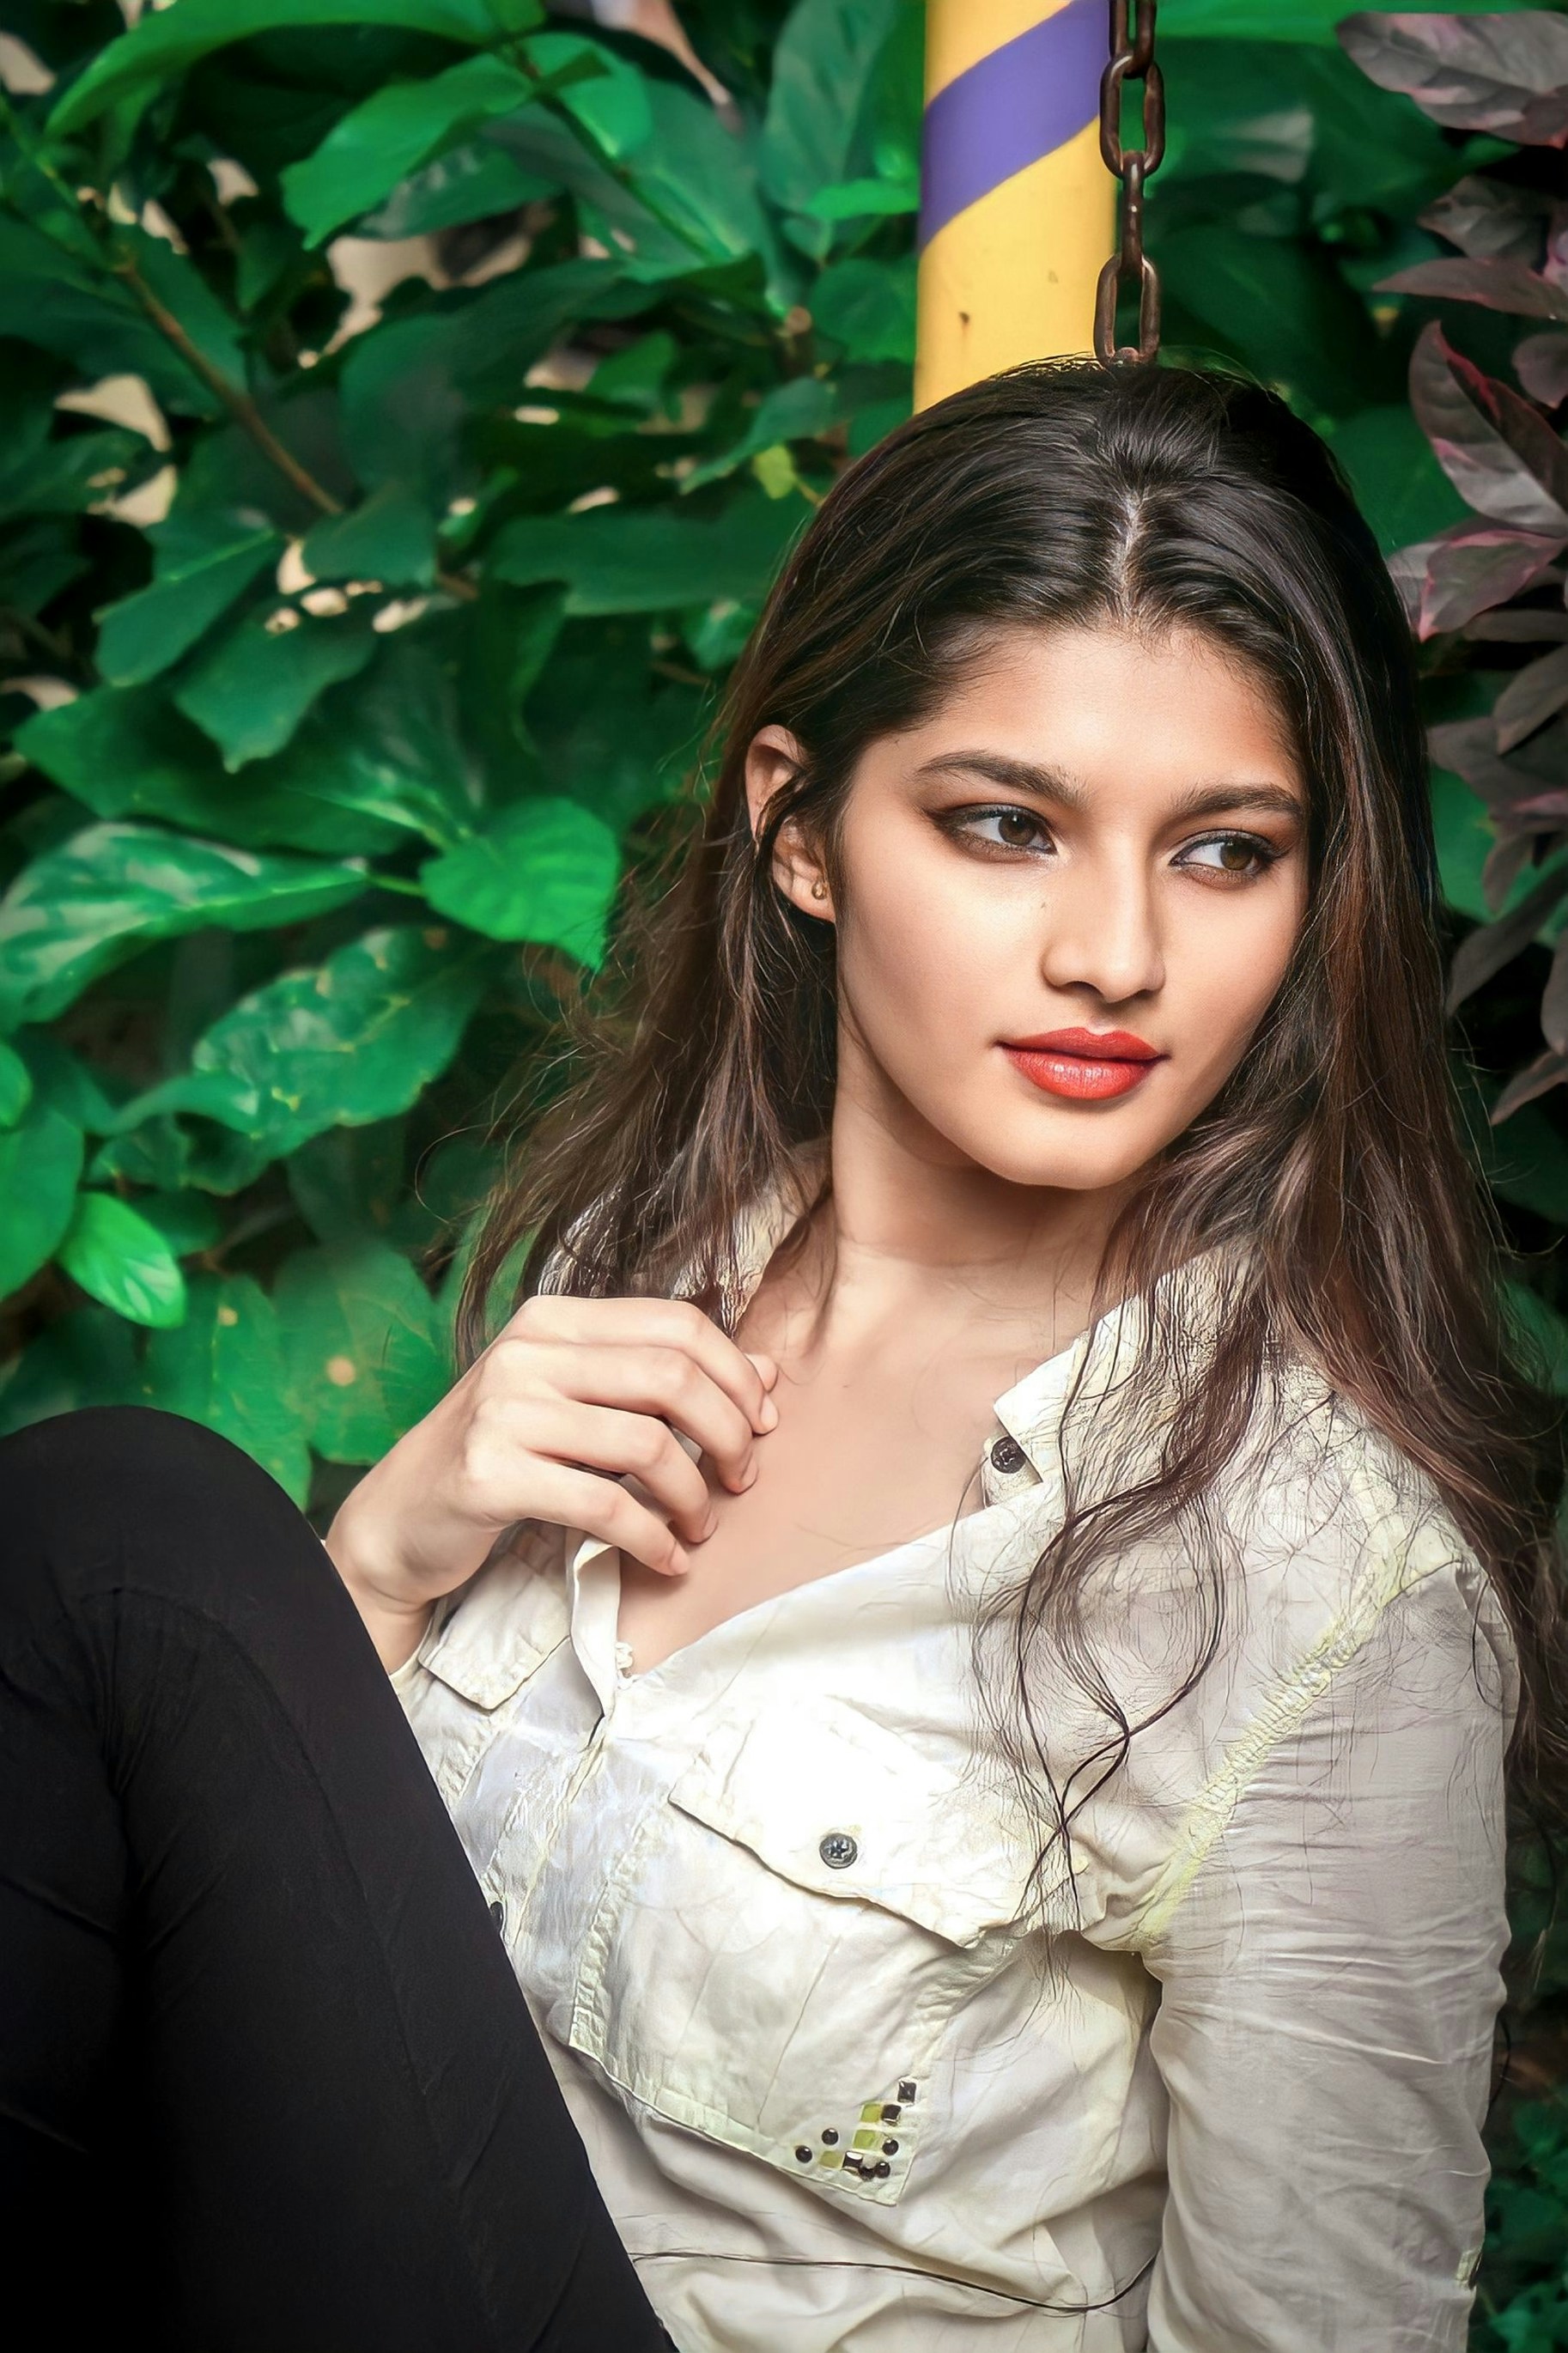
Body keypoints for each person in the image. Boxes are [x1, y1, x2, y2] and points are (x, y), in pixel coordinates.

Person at [2, 358, 1560, 2352]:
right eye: (1006, 824)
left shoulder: (1324, 1598)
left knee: (133, 1529)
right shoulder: (633, 1266)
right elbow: (304, 1985)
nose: (1115, 953)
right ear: (800, 831)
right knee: (122, 1538)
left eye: (1223, 849)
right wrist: (383, 1562)